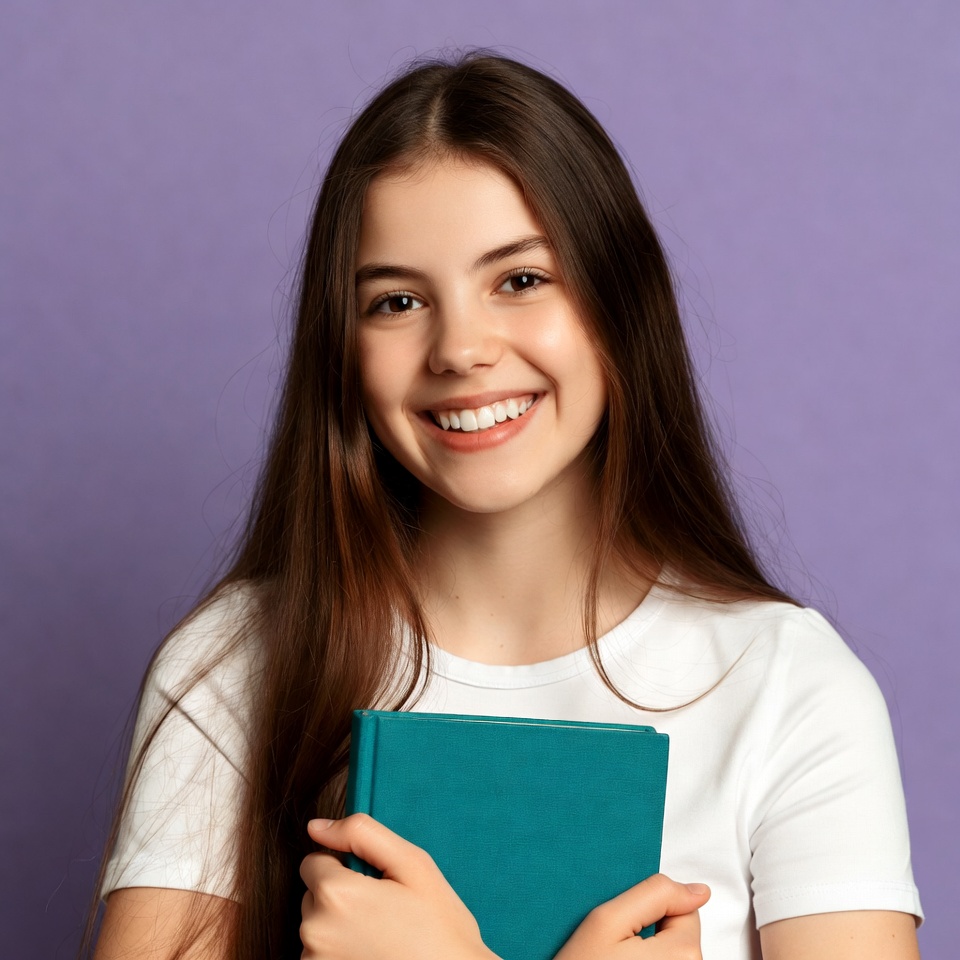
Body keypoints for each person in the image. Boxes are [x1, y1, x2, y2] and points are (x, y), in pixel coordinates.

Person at [87, 52, 923, 960]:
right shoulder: (233, 665)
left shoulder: (786, 685)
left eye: (520, 280)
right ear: (343, 350)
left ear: (618, 302)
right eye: (397, 300)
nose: (461, 349)